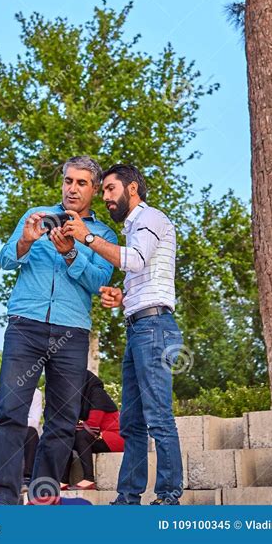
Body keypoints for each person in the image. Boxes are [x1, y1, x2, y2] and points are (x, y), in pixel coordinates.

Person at [0, 156, 118, 505]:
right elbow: (4, 259)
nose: (72, 189)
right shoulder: (36, 215)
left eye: (81, 183)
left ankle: (43, 498)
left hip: (72, 332)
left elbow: (99, 281)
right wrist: (26, 242)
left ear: (93, 188)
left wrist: (74, 252)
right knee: (11, 413)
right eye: (68, 181)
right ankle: (3, 501)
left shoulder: (103, 234)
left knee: (61, 422)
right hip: (24, 326)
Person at [62, 164, 183, 505]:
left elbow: (135, 260)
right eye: (103, 192)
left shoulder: (150, 218)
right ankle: (128, 497)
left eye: (110, 189)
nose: (105, 198)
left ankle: (169, 495)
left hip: (155, 329)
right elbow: (145, 276)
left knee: (158, 415)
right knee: (131, 422)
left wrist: (86, 236)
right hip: (139, 328)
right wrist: (122, 297)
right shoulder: (135, 227)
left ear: (132, 189)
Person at [61, 371, 124, 491]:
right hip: (98, 437)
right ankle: (63, 481)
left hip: (114, 438)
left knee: (80, 436)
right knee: (66, 437)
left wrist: (73, 426)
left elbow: (93, 426)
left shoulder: (98, 394)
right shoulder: (81, 397)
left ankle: (89, 480)